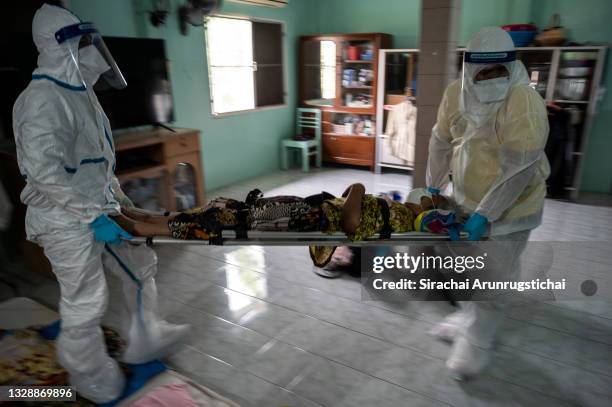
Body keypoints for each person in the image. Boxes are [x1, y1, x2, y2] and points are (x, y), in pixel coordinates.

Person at [12, 4, 189, 403]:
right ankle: (86, 371)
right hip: (62, 218)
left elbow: (97, 162)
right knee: (86, 297)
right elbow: (45, 175)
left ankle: (147, 335)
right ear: (60, 47)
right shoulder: (41, 100)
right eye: (85, 42)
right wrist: (92, 215)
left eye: (94, 41)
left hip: (100, 205)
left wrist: (120, 200)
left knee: (140, 265)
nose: (94, 51)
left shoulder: (84, 92)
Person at [425, 27, 550, 379]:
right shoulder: (456, 94)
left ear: (511, 68)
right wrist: (433, 189)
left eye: (499, 72)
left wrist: (486, 214)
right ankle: (467, 317)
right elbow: (439, 142)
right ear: (469, 68)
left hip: (513, 208)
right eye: (484, 72)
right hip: (464, 198)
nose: (491, 80)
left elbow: (521, 165)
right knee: (464, 269)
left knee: (494, 277)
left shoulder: (524, 102)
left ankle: (479, 341)